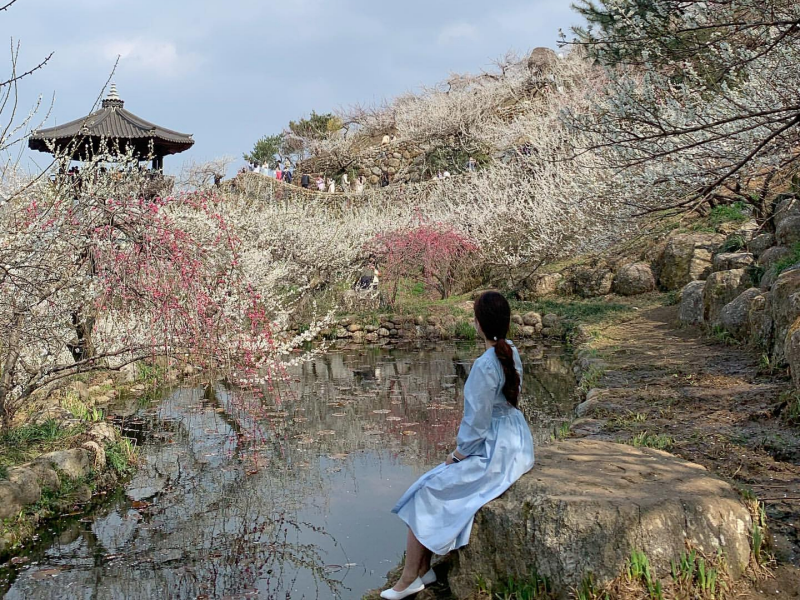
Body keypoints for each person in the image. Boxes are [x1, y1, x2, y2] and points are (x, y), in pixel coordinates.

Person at [380, 291, 534, 599]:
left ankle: (412, 575)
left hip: (495, 450)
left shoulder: (484, 365)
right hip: (516, 440)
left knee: (426, 490)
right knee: (430, 486)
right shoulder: (510, 351)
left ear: (477, 324)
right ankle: (423, 570)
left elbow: (477, 423)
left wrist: (458, 455)